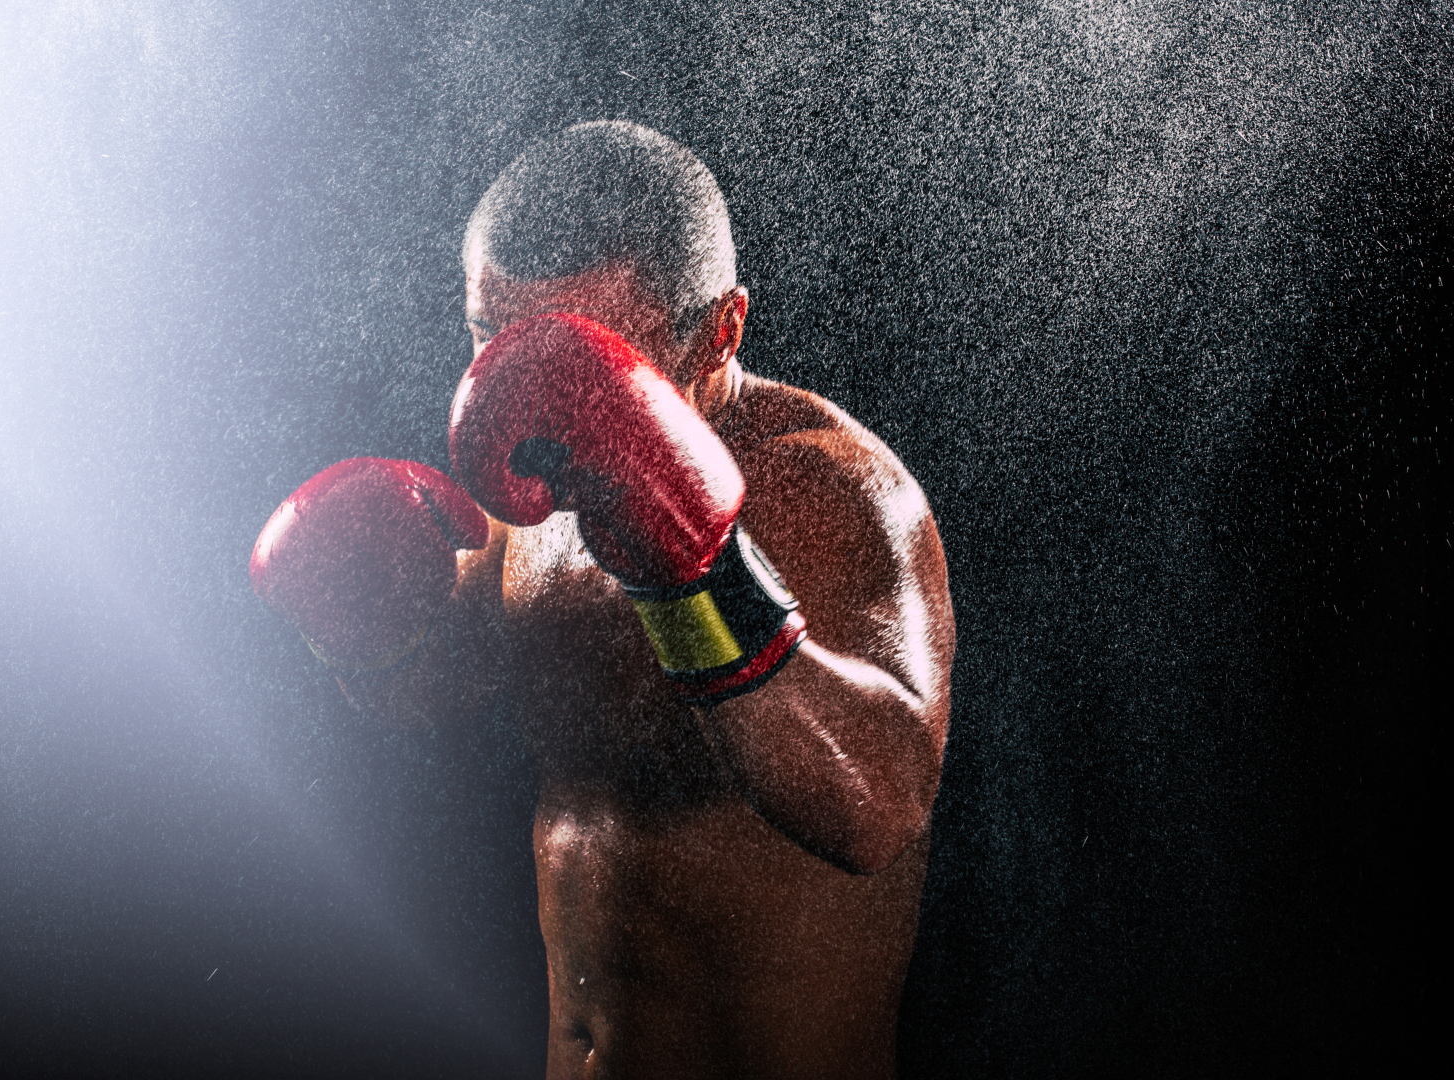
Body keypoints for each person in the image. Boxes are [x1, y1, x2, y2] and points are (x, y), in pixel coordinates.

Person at [251, 121, 954, 1080]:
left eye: (591, 355)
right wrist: (359, 617)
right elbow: (429, 694)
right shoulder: (534, 475)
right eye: (497, 339)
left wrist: (701, 577)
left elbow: (878, 809)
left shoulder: (827, 491)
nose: (538, 392)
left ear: (720, 332)